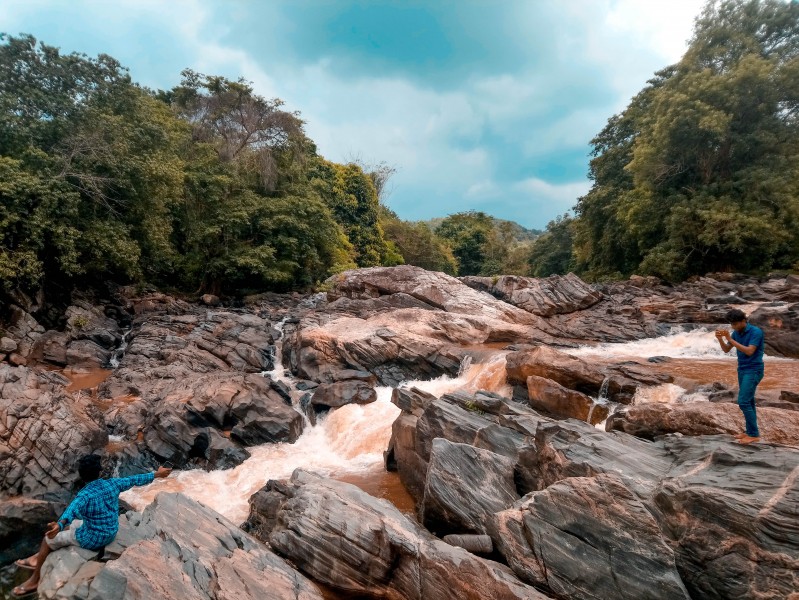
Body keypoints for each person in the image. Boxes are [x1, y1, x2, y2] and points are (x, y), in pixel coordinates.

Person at [12, 454, 171, 597]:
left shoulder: (83, 496)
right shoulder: (112, 484)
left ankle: (34, 580)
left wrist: (59, 526)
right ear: (99, 472)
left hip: (92, 539)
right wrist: (157, 474)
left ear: (81, 476)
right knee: (74, 523)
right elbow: (134, 480)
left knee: (47, 539)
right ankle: (36, 558)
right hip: (111, 531)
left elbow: (70, 512)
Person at [715, 308, 765, 445]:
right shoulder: (736, 333)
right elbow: (726, 349)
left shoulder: (756, 332)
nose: (733, 327)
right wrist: (720, 339)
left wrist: (730, 338)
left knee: (743, 401)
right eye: (731, 324)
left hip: (754, 369)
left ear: (744, 321)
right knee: (749, 401)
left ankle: (754, 434)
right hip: (742, 369)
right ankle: (750, 431)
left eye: (735, 324)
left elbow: (749, 351)